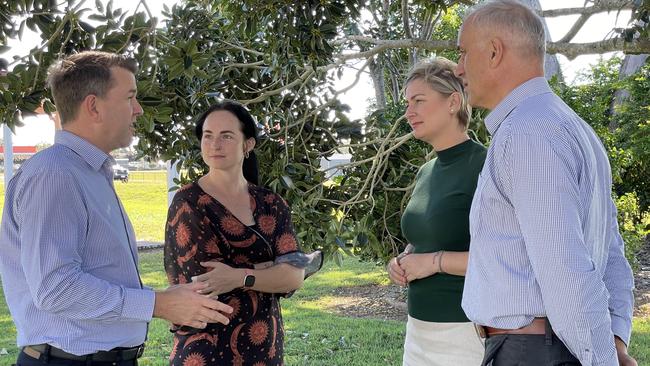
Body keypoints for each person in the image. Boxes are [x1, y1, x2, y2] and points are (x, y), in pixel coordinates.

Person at [0, 51, 233, 366]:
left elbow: (95, 273)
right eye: (130, 97)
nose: (138, 110)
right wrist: (157, 304)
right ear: (93, 106)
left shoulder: (88, 171)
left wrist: (169, 300)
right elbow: (56, 289)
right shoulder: (55, 174)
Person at [454, 1, 637, 365]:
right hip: (545, 349)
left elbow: (565, 267)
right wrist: (614, 341)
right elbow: (610, 251)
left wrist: (602, 359)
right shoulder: (570, 127)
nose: (458, 69)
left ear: (493, 52)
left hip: (531, 352)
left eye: (462, 54)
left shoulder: (528, 132)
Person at [165, 100, 313, 365]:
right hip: (206, 349)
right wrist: (269, 270)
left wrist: (238, 276)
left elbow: (295, 275)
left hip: (264, 348)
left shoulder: (271, 203)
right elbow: (204, 281)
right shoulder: (188, 201)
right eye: (208, 136)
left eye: (227, 136)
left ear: (248, 144)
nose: (214, 144)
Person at [386, 57, 486, 365]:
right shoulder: (427, 171)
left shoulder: (485, 166)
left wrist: (433, 262)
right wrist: (403, 259)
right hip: (418, 330)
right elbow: (426, 237)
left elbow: (505, 256)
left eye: (418, 101)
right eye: (407, 103)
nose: (408, 112)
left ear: (453, 102)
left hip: (465, 332)